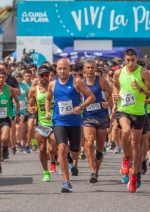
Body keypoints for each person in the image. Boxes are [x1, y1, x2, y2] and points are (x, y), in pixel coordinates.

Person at [45, 59, 95, 193]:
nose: (62, 71)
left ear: (69, 69)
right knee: (61, 147)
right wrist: (47, 111)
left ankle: (70, 158)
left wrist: (81, 107)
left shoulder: (76, 81)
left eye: (64, 69)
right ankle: (66, 182)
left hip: (74, 122)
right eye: (59, 69)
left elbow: (91, 97)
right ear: (56, 69)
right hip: (59, 121)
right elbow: (48, 98)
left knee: (74, 153)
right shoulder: (52, 84)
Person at [112, 48, 150, 193]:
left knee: (136, 144)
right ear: (125, 59)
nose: (130, 63)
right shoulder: (119, 72)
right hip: (123, 109)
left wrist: (140, 89)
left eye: (133, 60)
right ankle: (125, 159)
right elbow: (115, 87)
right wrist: (115, 95)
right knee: (125, 131)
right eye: (128, 60)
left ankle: (135, 174)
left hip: (138, 112)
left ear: (136, 59)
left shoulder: (143, 72)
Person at [81, 59, 112, 183]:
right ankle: (92, 171)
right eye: (87, 67)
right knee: (88, 143)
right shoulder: (80, 82)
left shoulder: (101, 81)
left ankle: (96, 171)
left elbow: (113, 93)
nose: (90, 70)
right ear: (84, 69)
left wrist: (108, 103)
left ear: (95, 69)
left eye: (92, 67)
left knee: (99, 150)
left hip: (101, 116)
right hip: (87, 116)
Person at [28, 65, 58, 181]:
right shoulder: (34, 90)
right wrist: (30, 108)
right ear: (38, 76)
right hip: (41, 123)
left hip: (55, 122)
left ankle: (53, 160)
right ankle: (46, 172)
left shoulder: (55, 87)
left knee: (52, 149)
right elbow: (30, 105)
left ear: (49, 76)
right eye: (42, 75)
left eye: (46, 75)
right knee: (41, 149)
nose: (44, 77)